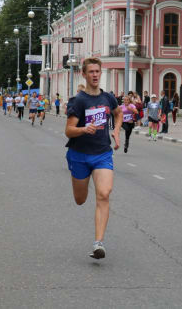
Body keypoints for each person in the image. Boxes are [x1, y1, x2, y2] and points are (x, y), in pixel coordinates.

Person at [65, 57, 122, 259]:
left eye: (98, 71)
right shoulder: (79, 101)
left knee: (104, 194)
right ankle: (83, 183)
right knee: (80, 200)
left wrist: (115, 130)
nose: (95, 75)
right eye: (91, 72)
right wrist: (83, 129)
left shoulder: (108, 98)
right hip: (79, 155)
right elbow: (69, 130)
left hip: (102, 153)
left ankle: (98, 243)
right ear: (84, 74)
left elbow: (118, 113)